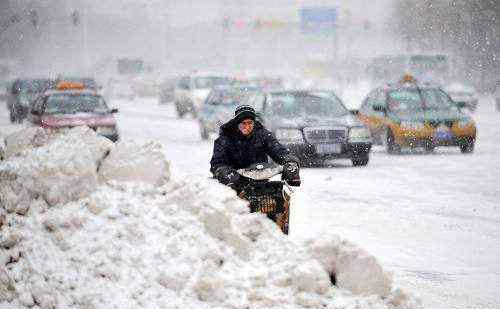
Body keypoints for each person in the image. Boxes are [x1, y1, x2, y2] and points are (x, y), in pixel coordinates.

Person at [210, 105, 300, 191]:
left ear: (254, 122)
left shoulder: (263, 135)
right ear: (236, 124)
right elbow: (217, 163)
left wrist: (290, 162)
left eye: (250, 123)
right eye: (243, 123)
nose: (247, 127)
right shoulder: (225, 139)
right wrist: (225, 172)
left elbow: (278, 150)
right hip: (234, 184)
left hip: (260, 182)